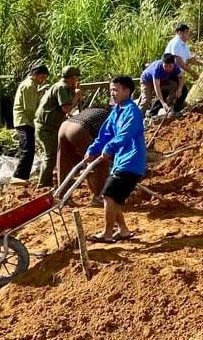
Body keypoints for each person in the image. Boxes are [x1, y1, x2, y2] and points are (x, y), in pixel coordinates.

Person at [85, 76, 146, 243]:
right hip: (121, 162)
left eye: (116, 90)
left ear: (127, 91)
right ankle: (123, 231)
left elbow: (125, 135)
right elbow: (105, 134)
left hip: (132, 161)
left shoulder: (132, 112)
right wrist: (93, 149)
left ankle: (107, 233)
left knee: (108, 196)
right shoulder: (116, 111)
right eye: (111, 89)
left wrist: (109, 148)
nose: (112, 93)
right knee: (113, 198)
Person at [35, 66, 82, 188]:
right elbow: (66, 108)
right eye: (76, 78)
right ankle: (43, 184)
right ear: (72, 78)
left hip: (51, 126)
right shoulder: (61, 87)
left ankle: (54, 180)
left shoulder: (64, 87)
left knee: (58, 153)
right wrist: (76, 97)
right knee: (50, 155)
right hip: (46, 127)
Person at [57, 107, 111, 206]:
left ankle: (63, 197)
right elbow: (106, 141)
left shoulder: (93, 111)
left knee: (64, 163)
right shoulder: (110, 116)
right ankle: (99, 196)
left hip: (64, 126)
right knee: (100, 162)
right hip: (79, 129)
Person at [11, 65, 50, 183]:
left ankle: (22, 177)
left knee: (27, 148)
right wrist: (38, 120)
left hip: (25, 121)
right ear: (37, 75)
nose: (43, 80)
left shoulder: (32, 86)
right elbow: (30, 109)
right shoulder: (29, 86)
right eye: (43, 77)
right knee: (28, 149)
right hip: (24, 121)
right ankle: (19, 177)